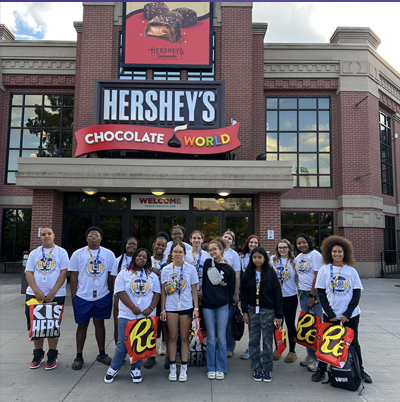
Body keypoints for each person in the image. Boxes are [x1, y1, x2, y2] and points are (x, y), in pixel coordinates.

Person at [311, 236, 372, 384]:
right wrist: (330, 313)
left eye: (339, 252)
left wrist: (347, 314)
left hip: (350, 315)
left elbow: (357, 294)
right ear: (329, 253)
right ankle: (322, 370)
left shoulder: (351, 271)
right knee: (327, 342)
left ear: (345, 253)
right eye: (334, 252)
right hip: (331, 315)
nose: (337, 254)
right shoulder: (325, 270)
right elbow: (321, 294)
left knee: (353, 342)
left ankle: (360, 370)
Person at [104, 248, 160, 384]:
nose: (141, 258)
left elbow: (157, 293)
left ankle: (135, 368)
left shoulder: (152, 276)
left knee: (140, 343)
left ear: (148, 261)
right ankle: (114, 367)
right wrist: (132, 307)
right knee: (123, 343)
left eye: (144, 257)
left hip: (146, 315)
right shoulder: (124, 274)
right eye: (139, 256)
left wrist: (151, 308)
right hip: (127, 314)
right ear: (134, 257)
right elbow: (120, 292)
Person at [68, 226, 116, 370]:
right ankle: (78, 355)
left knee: (99, 324)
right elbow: (74, 276)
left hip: (102, 295)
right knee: (82, 325)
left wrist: (110, 293)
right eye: (90, 235)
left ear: (101, 238)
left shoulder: (109, 254)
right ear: (86, 238)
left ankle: (101, 353)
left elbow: (110, 276)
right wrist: (74, 297)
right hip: (83, 296)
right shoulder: (78, 254)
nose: (93, 238)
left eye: (96, 235)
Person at [25, 227, 69, 370]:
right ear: (40, 237)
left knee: (52, 324)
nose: (46, 236)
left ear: (54, 236)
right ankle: (38, 354)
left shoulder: (61, 252)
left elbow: (63, 273)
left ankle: (52, 354)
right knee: (36, 325)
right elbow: (29, 273)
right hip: (34, 295)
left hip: (56, 294)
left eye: (49, 234)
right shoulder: (34, 253)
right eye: (43, 234)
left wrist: (54, 291)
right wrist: (36, 291)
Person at [241, 247, 283, 382]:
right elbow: (244, 294)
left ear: (265, 258)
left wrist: (278, 315)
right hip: (252, 310)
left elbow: (278, 294)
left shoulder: (270, 273)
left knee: (267, 341)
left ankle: (267, 368)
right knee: (253, 341)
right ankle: (256, 368)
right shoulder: (247, 273)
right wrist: (245, 312)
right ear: (251, 259)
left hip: (268, 311)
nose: (257, 260)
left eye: (260, 257)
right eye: (255, 257)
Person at [160, 242, 199, 382]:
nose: (177, 254)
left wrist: (196, 308)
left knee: (184, 338)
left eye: (180, 252)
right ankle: (172, 367)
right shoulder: (166, 269)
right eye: (175, 252)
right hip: (170, 307)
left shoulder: (190, 269)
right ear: (171, 254)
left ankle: (183, 367)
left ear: (184, 253)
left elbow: (194, 289)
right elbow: (163, 291)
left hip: (186, 306)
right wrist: (162, 309)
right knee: (171, 337)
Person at [201, 237, 235, 380]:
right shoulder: (207, 263)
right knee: (211, 337)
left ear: (221, 250)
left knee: (221, 338)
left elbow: (231, 289)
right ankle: (211, 367)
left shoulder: (229, 268)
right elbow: (204, 282)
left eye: (214, 249)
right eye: (210, 250)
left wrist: (227, 302)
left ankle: (221, 367)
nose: (212, 251)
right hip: (208, 305)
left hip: (222, 306)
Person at [294, 233, 324, 372]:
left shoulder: (316, 255)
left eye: (304, 242)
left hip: (313, 294)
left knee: (316, 325)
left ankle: (318, 359)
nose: (302, 245)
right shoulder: (298, 258)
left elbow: (318, 276)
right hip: (302, 294)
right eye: (299, 243)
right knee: (306, 326)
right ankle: (310, 356)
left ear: (309, 242)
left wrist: (312, 295)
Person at [270, 239, 298, 363]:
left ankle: (292, 351)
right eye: (280, 247)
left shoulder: (294, 262)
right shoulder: (272, 261)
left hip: (290, 296)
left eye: (284, 247)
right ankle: (278, 349)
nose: (282, 249)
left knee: (290, 324)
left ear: (289, 248)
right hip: (276, 298)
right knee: (277, 324)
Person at [111, 237, 138, 345]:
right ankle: (120, 350)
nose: (131, 246)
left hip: (135, 298)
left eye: (134, 244)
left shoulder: (140, 259)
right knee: (118, 325)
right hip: (120, 297)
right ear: (125, 245)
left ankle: (133, 350)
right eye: (129, 243)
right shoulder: (118, 260)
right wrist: (116, 297)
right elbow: (114, 279)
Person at [239, 235, 261, 360]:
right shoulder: (242, 257)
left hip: (260, 293)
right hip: (248, 291)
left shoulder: (263, 256)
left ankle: (260, 346)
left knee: (261, 322)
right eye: (251, 242)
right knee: (251, 322)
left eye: (255, 242)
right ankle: (251, 347)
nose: (253, 244)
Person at [149, 233, 169, 368]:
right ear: (154, 246)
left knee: (166, 326)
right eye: (158, 244)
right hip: (150, 297)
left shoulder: (170, 261)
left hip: (167, 297)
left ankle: (169, 356)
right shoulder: (147, 259)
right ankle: (150, 356)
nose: (160, 247)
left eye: (163, 245)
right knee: (152, 327)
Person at [222, 230, 241, 357]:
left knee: (228, 322)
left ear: (232, 242)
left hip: (229, 291)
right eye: (225, 236)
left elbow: (237, 274)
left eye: (229, 238)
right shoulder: (215, 250)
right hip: (216, 291)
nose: (227, 239)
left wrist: (236, 293)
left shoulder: (234, 255)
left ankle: (229, 346)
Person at [186, 230, 210, 328]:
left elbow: (209, 275)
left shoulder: (207, 255)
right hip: (189, 292)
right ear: (190, 240)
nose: (196, 240)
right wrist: (193, 291)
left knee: (203, 323)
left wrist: (202, 290)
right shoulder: (185, 255)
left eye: (199, 238)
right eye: (194, 238)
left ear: (202, 240)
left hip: (203, 291)